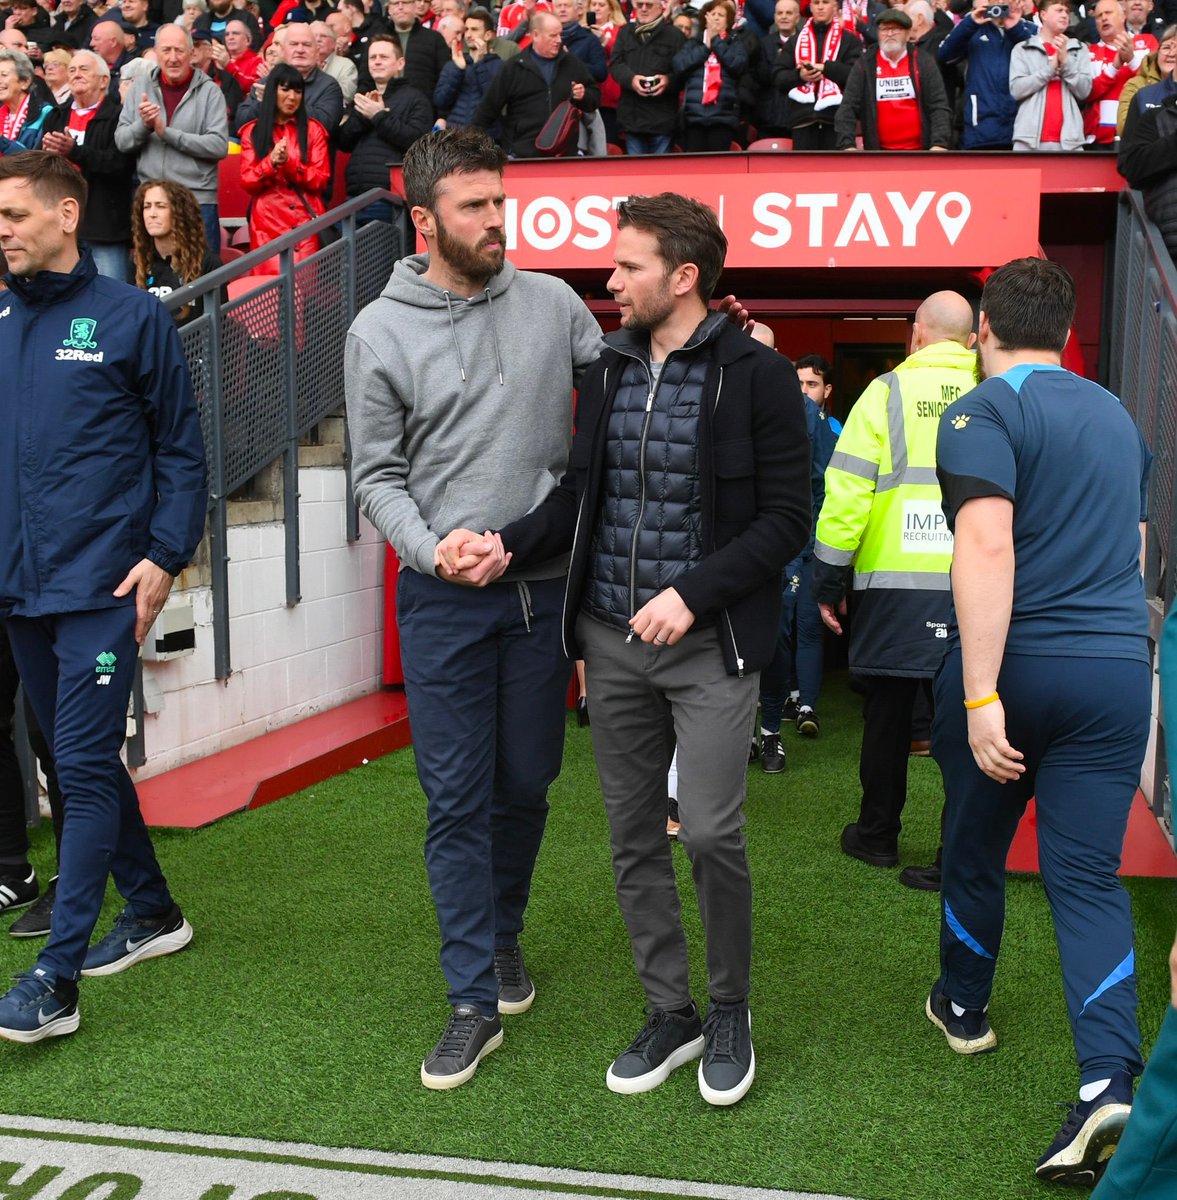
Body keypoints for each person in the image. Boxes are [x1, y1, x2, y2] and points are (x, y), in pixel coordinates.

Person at [441, 192, 810, 1108]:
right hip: (607, 643)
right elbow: (580, 496)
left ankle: (730, 1010)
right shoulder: (607, 368)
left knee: (714, 833)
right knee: (632, 836)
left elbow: (785, 522)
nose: (609, 282)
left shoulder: (757, 376)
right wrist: (507, 541)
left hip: (710, 645)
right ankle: (669, 1011)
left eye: (628, 266)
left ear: (683, 278)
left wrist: (691, 595)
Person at [344, 127, 603, 1090]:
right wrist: (431, 545)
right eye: (473, 206)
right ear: (424, 220)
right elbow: (375, 475)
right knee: (453, 799)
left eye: (500, 200)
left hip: (538, 597)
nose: (497, 220)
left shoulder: (552, 303)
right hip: (443, 600)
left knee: (526, 784)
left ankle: (502, 934)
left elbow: (618, 391)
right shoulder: (378, 330)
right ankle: (469, 999)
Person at [929, 258, 1151, 1185]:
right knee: (1086, 881)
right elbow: (1135, 549)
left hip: (1017, 667)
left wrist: (981, 696)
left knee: (973, 846)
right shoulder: (1116, 415)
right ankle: (1108, 1074)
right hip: (1111, 674)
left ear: (983, 325)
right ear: (1066, 332)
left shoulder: (980, 410)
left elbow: (984, 544)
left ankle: (963, 1009)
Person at [0, 150, 207, 1043]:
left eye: (13, 214)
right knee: (72, 763)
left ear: (65, 214)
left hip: (101, 586)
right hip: (18, 588)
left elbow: (181, 448)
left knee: (80, 771)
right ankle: (155, 910)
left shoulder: (130, 318)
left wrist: (166, 553)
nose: (2, 229)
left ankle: (56, 976)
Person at [814, 291, 976, 888]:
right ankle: (952, 855)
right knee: (966, 722)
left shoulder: (884, 394)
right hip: (974, 589)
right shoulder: (995, 391)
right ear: (970, 340)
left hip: (893, 586)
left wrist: (828, 577)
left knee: (885, 718)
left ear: (916, 335)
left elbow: (848, 492)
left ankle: (876, 835)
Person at [756, 343, 836, 772]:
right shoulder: (714, 394)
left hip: (786, 546)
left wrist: (807, 538)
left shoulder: (805, 414)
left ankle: (771, 733)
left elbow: (823, 481)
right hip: (727, 548)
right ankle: (744, 734)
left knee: (778, 634)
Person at [115, 24, 230, 257]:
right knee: (153, 280)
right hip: (152, 201)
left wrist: (166, 132)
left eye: (179, 51)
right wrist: (145, 126)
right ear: (156, 53)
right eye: (166, 50)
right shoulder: (141, 86)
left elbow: (218, 146)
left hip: (196, 201)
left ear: (191, 53)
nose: (173, 58)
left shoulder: (210, 92)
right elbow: (122, 141)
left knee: (203, 283)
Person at [40, 49, 136, 281]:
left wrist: (74, 151)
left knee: (111, 299)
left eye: (84, 69)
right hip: (60, 224)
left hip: (103, 225)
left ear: (104, 80)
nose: (76, 74)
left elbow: (120, 164)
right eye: (72, 70)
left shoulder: (118, 117)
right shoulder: (56, 116)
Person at [471, 12, 600, 158]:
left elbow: (594, 99)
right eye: (553, 35)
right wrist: (472, 150)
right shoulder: (513, 67)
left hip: (564, 156)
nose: (559, 40)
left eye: (559, 34)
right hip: (522, 156)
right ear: (536, 35)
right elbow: (486, 110)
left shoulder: (572, 64)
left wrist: (584, 95)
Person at [238, 63, 330, 264]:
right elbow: (247, 181)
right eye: (285, 89)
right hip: (266, 226)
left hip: (305, 225)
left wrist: (289, 163)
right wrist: (270, 163)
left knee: (307, 292)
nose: (292, 96)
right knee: (269, 292)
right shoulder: (252, 131)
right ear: (272, 91)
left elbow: (320, 180)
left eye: (298, 91)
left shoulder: (313, 130)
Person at [337, 35, 431, 221]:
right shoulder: (363, 98)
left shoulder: (416, 99)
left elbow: (417, 141)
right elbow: (343, 142)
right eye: (373, 57)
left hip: (389, 198)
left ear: (400, 63)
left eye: (383, 57)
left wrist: (379, 116)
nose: (377, 62)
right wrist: (365, 117)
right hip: (354, 196)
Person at [835, 7, 950, 148]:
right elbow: (848, 107)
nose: (889, 34)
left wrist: (939, 143)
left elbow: (938, 106)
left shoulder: (923, 61)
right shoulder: (865, 64)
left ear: (908, 34)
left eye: (896, 29)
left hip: (920, 153)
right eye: (884, 29)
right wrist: (847, 145)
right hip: (879, 155)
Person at [938, 0, 1035, 149]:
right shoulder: (973, 27)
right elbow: (944, 55)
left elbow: (1039, 63)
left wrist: (1015, 29)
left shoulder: (1030, 29)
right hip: (980, 129)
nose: (1001, 2)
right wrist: (971, 22)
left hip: (1022, 129)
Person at [772, 0, 862, 150]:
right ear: (811, 7)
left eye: (825, 2)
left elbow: (856, 76)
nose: (820, 7)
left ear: (835, 7)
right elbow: (777, 77)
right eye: (816, 2)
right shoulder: (795, 41)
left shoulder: (850, 40)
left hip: (837, 121)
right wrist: (799, 75)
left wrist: (826, 68)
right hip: (802, 120)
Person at [132, 177, 220, 324]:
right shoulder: (137, 261)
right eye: (147, 206)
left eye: (160, 206)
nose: (152, 214)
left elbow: (218, 325)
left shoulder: (208, 263)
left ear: (180, 213)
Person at [235, 21, 345, 138]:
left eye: (307, 45)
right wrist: (263, 103)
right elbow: (241, 124)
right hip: (268, 153)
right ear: (283, 51)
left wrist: (279, 101)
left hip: (310, 154)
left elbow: (327, 125)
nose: (300, 50)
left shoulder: (329, 86)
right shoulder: (264, 83)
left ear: (317, 52)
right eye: (293, 44)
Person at [1009, 0, 1091, 151]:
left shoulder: (1079, 49)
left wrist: (1066, 63)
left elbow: (1084, 91)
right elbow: (1017, 90)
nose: (1065, 15)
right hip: (1028, 141)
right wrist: (1050, 69)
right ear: (1043, 15)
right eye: (1059, 10)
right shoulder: (1022, 49)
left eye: (1066, 11)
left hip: (1070, 142)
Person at [609, 0, 685, 156]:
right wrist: (631, 79)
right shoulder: (625, 32)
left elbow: (683, 72)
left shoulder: (675, 35)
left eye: (648, 5)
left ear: (660, 7)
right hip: (633, 118)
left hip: (663, 118)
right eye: (639, 4)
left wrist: (667, 80)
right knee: (637, 175)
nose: (643, 9)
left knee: (660, 175)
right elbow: (615, 64)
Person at [672, 0, 749, 152]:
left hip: (723, 117)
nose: (716, 18)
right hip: (694, 117)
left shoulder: (734, 43)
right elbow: (679, 65)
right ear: (705, 18)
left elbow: (737, 65)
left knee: (718, 167)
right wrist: (706, 48)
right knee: (695, 166)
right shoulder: (694, 42)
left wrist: (716, 41)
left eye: (721, 15)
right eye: (712, 14)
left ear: (728, 21)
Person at [1087, 0, 1153, 146]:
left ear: (1123, 16)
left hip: (1141, 137)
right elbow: (1088, 93)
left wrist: (1131, 59)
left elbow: (1155, 83)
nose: (1103, 18)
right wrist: (1115, 66)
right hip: (1099, 140)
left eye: (1108, 13)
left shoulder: (1148, 42)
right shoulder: (1089, 52)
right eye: (1098, 16)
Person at [432, 9, 504, 128]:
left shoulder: (499, 65)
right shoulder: (453, 64)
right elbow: (440, 101)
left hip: (486, 137)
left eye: (474, 29)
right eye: (466, 29)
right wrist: (458, 70)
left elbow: (495, 103)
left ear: (488, 35)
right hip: (455, 136)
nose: (468, 35)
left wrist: (480, 65)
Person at [384, 0, 448, 108]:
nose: (400, 7)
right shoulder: (377, 38)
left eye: (405, 2)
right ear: (389, 9)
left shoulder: (434, 39)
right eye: (395, 3)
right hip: (383, 107)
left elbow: (444, 81)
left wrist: (442, 116)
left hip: (423, 109)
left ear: (415, 6)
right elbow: (365, 79)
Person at [751, 0, 801, 140]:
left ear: (797, 18)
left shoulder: (807, 42)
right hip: (768, 117)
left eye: (789, 13)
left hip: (798, 116)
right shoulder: (763, 44)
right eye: (780, 13)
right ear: (774, 17)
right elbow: (761, 77)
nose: (784, 17)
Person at [1118, 23, 1176, 132]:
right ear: (1157, 53)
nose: (1171, 53)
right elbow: (1124, 128)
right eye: (1166, 47)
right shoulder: (1136, 86)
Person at [0, 48, 51, 155]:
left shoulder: (46, 114)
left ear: (25, 82)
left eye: (4, 75)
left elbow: (37, 162)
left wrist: (2, 141)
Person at [192, 29, 246, 124]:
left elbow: (231, 116)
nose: (191, 50)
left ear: (210, 51)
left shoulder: (227, 80)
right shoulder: (181, 78)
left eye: (196, 45)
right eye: (188, 46)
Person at [312, 18, 359, 101]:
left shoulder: (346, 65)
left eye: (323, 36)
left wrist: (319, 76)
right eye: (314, 36)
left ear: (334, 43)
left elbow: (346, 95)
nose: (318, 39)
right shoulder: (300, 63)